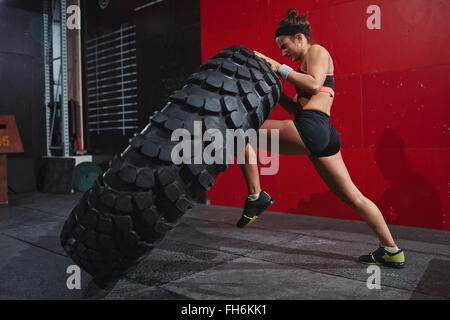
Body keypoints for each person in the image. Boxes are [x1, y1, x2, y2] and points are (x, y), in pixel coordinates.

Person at [236, 8, 405, 268]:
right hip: (324, 134)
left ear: (300, 38)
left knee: (239, 132)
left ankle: (256, 196)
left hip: (312, 129)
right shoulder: (304, 65)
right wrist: (276, 88)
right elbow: (299, 106)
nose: (284, 53)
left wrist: (276, 66)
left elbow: (314, 85)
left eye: (285, 46)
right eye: (280, 50)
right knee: (354, 197)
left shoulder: (316, 51)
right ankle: (391, 250)